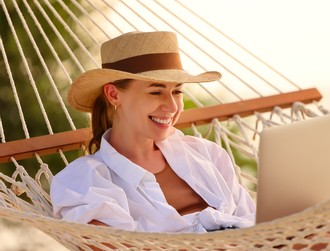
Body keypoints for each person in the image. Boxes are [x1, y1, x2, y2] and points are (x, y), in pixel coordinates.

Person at [50, 31, 256, 233]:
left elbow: (256, 225)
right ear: (113, 94)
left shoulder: (208, 154)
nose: (172, 107)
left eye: (177, 91)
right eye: (156, 92)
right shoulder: (86, 181)